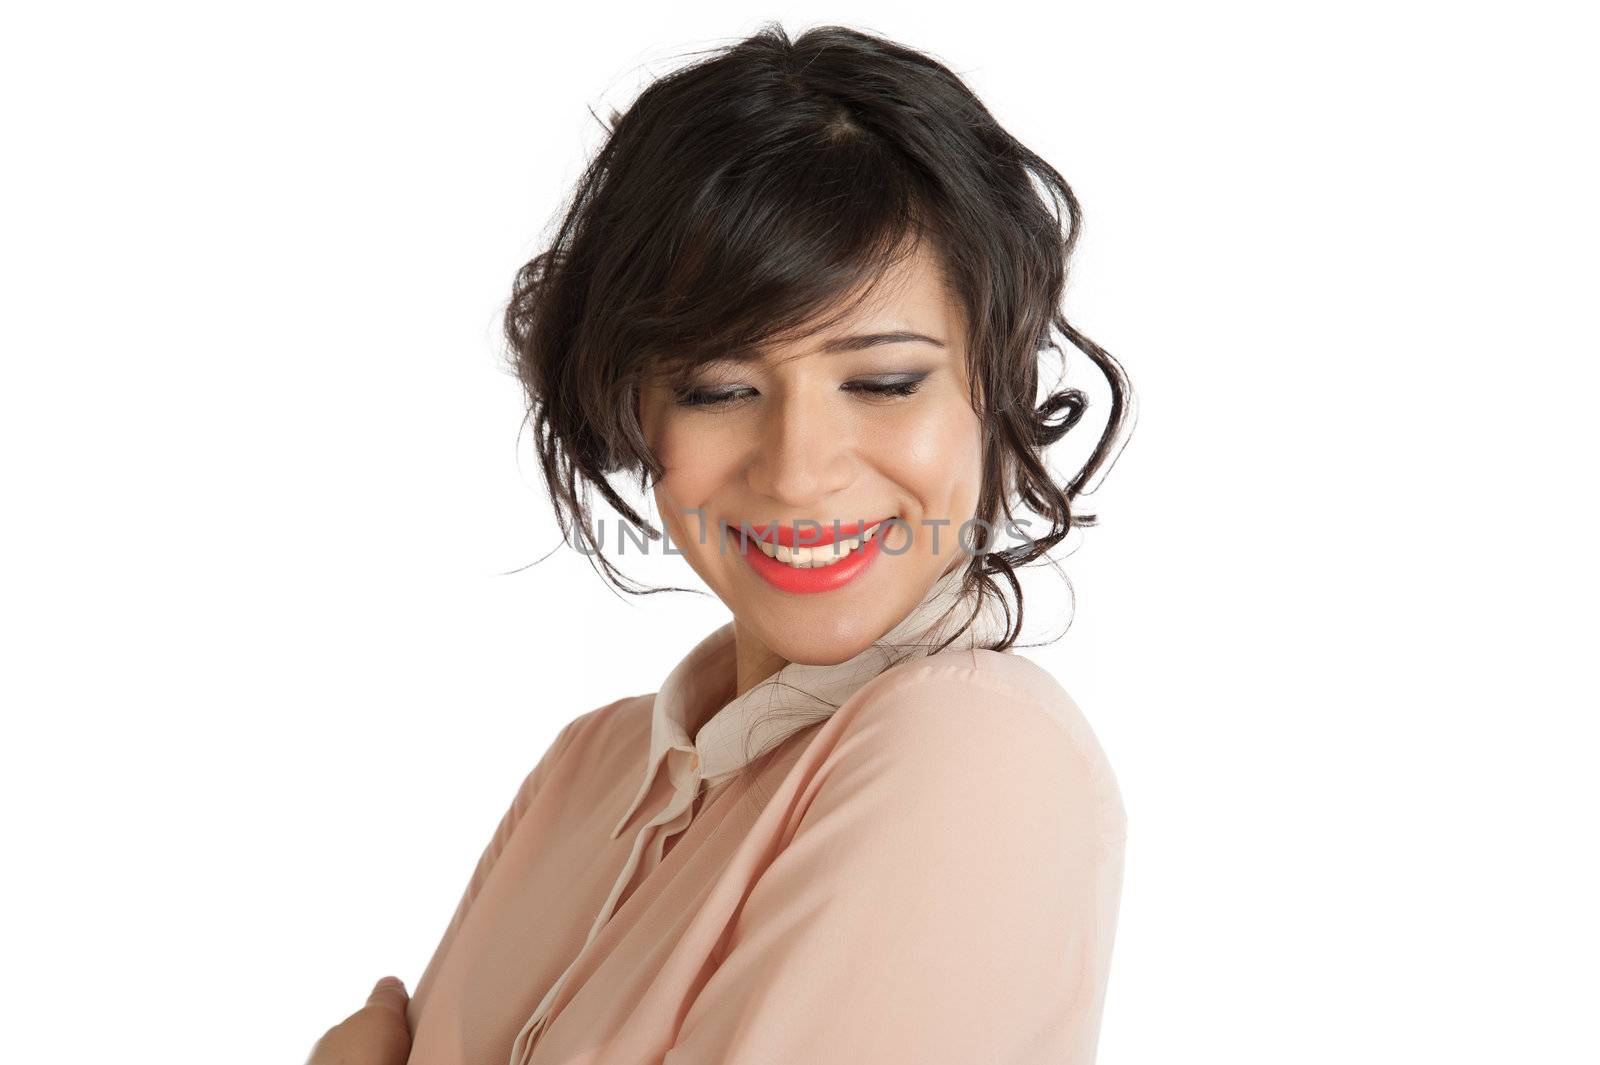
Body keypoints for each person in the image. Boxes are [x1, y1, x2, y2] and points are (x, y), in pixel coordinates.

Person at [306, 20, 1134, 1065]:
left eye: (882, 381)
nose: (796, 468)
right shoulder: (587, 771)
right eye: (719, 389)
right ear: (635, 410)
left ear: (995, 386)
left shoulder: (971, 750)